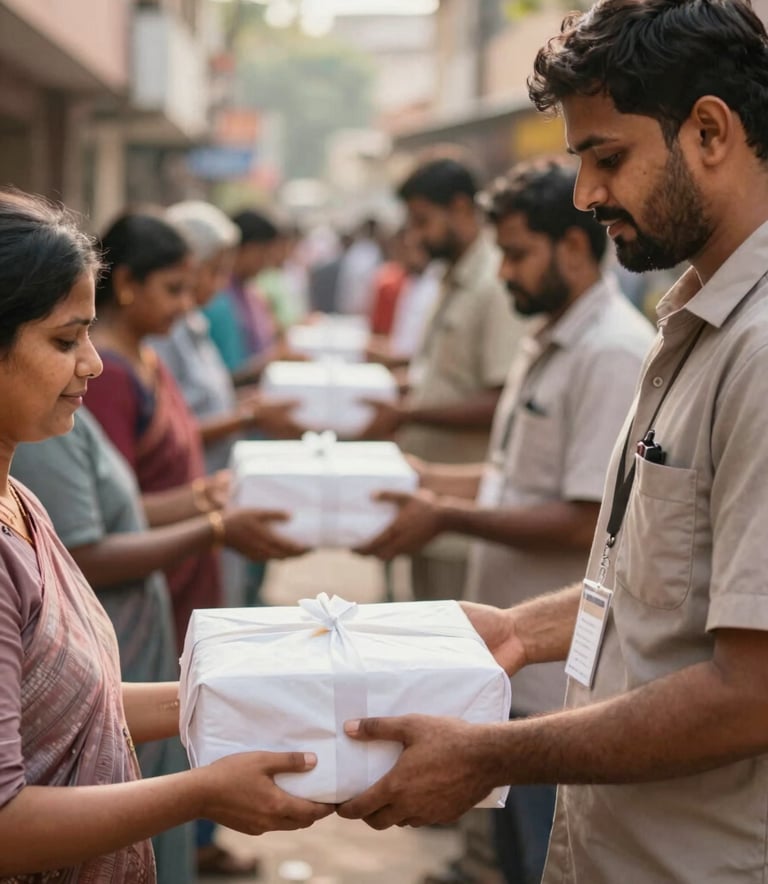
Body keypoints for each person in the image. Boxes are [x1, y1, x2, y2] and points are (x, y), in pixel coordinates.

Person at [337, 2, 768, 881]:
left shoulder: (759, 349)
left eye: (607, 156)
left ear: (712, 132)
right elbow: (660, 587)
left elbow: (750, 693)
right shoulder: (695, 322)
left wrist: (492, 754)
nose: (586, 195)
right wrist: (513, 630)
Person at [0, 188, 329, 882]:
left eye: (89, 333)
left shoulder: (21, 500)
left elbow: (60, 703)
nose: (92, 362)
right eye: (65, 340)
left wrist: (228, 695)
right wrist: (203, 791)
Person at [359, 159, 654, 883]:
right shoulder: (549, 336)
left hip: (562, 682)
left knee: (545, 855)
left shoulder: (609, 350)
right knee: (515, 857)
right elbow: (515, 480)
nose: (506, 275)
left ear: (576, 250)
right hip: (515, 669)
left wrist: (445, 514)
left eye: (518, 255)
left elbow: (585, 517)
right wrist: (426, 482)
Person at [86, 212, 306, 651]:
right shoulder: (108, 375)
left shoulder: (146, 357)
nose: (187, 304)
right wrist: (210, 513)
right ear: (127, 283)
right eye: (173, 290)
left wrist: (215, 495)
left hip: (182, 570)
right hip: (149, 581)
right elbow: (119, 513)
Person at [362, 158, 527, 604]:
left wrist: (406, 412)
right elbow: (436, 377)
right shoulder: (450, 279)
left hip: (463, 516)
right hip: (427, 500)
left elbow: (501, 400)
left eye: (423, 221)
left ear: (459, 208)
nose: (415, 236)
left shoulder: (496, 282)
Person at [149, 200, 304, 475]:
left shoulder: (194, 324)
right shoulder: (161, 332)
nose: (221, 285)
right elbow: (168, 433)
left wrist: (246, 404)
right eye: (214, 272)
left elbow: (211, 398)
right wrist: (247, 416)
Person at [203, 209, 284, 385]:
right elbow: (227, 376)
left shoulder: (252, 294)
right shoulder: (217, 299)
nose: (267, 262)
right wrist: (274, 359)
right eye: (264, 253)